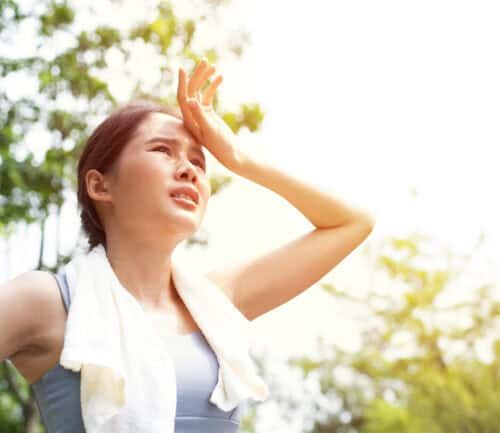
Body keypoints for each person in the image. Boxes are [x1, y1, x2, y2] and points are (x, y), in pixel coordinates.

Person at [0, 58, 375, 432]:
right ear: (100, 186)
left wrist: (240, 158)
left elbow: (352, 223)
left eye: (198, 161)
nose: (188, 169)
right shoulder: (48, 301)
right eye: (162, 150)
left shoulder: (217, 302)